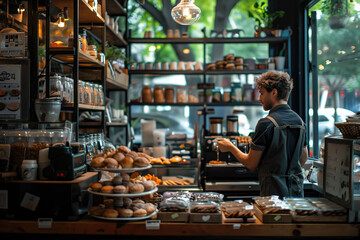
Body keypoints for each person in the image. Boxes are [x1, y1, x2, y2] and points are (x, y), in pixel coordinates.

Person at [217, 71, 308, 198]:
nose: (259, 98)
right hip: (296, 193)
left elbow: (251, 164)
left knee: (275, 219)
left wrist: (230, 147)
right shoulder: (300, 122)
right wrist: (288, 173)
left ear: (274, 92)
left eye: (262, 93)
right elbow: (304, 157)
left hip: (273, 195)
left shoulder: (266, 124)